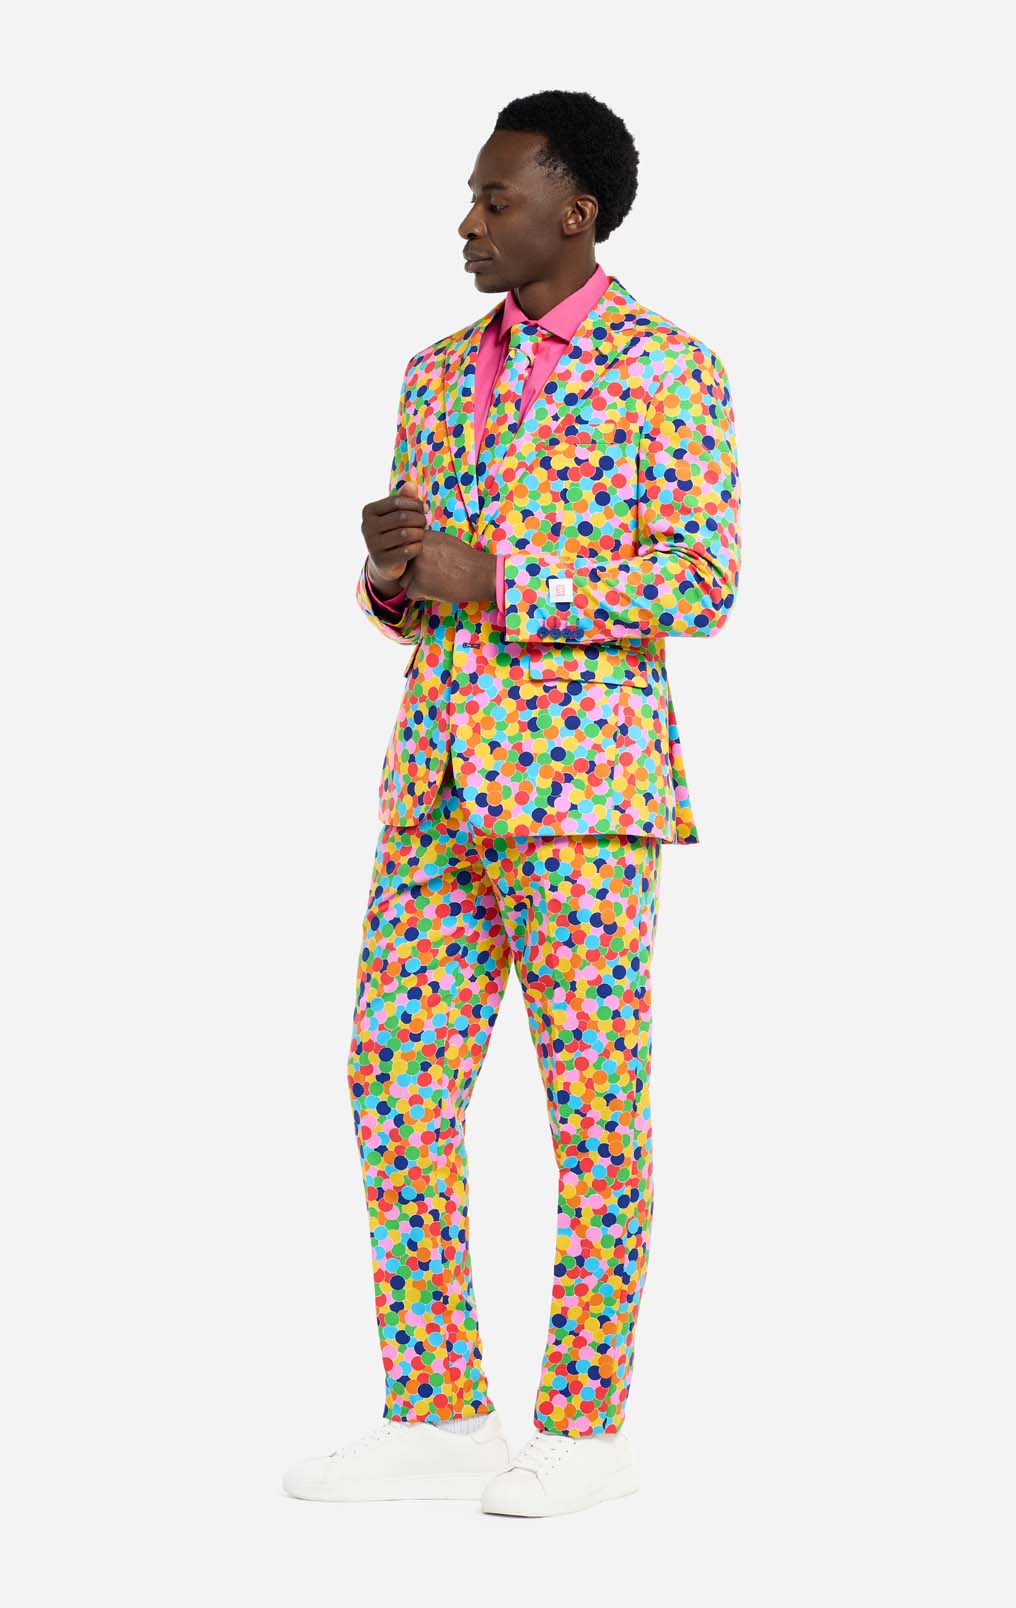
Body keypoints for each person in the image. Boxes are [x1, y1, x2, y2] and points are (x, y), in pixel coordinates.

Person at [283, 88, 740, 1518]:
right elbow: (422, 599)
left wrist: (497, 576)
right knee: (394, 1079)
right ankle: (437, 1411)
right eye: (472, 198)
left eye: (495, 199)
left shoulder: (667, 369)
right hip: (437, 783)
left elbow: (702, 579)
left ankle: (586, 1429)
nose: (468, 222)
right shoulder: (434, 372)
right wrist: (391, 573)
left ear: (574, 212)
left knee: (591, 1106)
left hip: (584, 791)